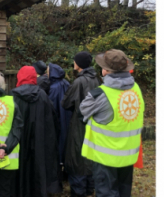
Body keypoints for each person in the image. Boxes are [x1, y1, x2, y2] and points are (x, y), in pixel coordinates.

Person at [80, 49, 145, 197]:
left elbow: (83, 110)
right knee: (124, 192)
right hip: (128, 156)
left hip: (105, 159)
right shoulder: (136, 89)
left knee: (106, 193)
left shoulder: (100, 94)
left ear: (106, 70)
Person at [11, 66, 62, 197]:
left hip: (19, 142)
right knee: (38, 168)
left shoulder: (13, 96)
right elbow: (53, 120)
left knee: (20, 168)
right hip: (40, 141)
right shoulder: (43, 96)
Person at [61, 51, 101, 197]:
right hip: (95, 124)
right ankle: (90, 189)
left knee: (77, 158)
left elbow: (65, 103)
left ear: (79, 64)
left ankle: (79, 192)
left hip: (79, 124)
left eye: (75, 61)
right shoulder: (98, 79)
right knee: (90, 157)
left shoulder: (79, 82)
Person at [47, 63, 72, 167]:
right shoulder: (67, 84)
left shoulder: (52, 88)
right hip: (68, 117)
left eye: (48, 71)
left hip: (57, 119)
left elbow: (51, 105)